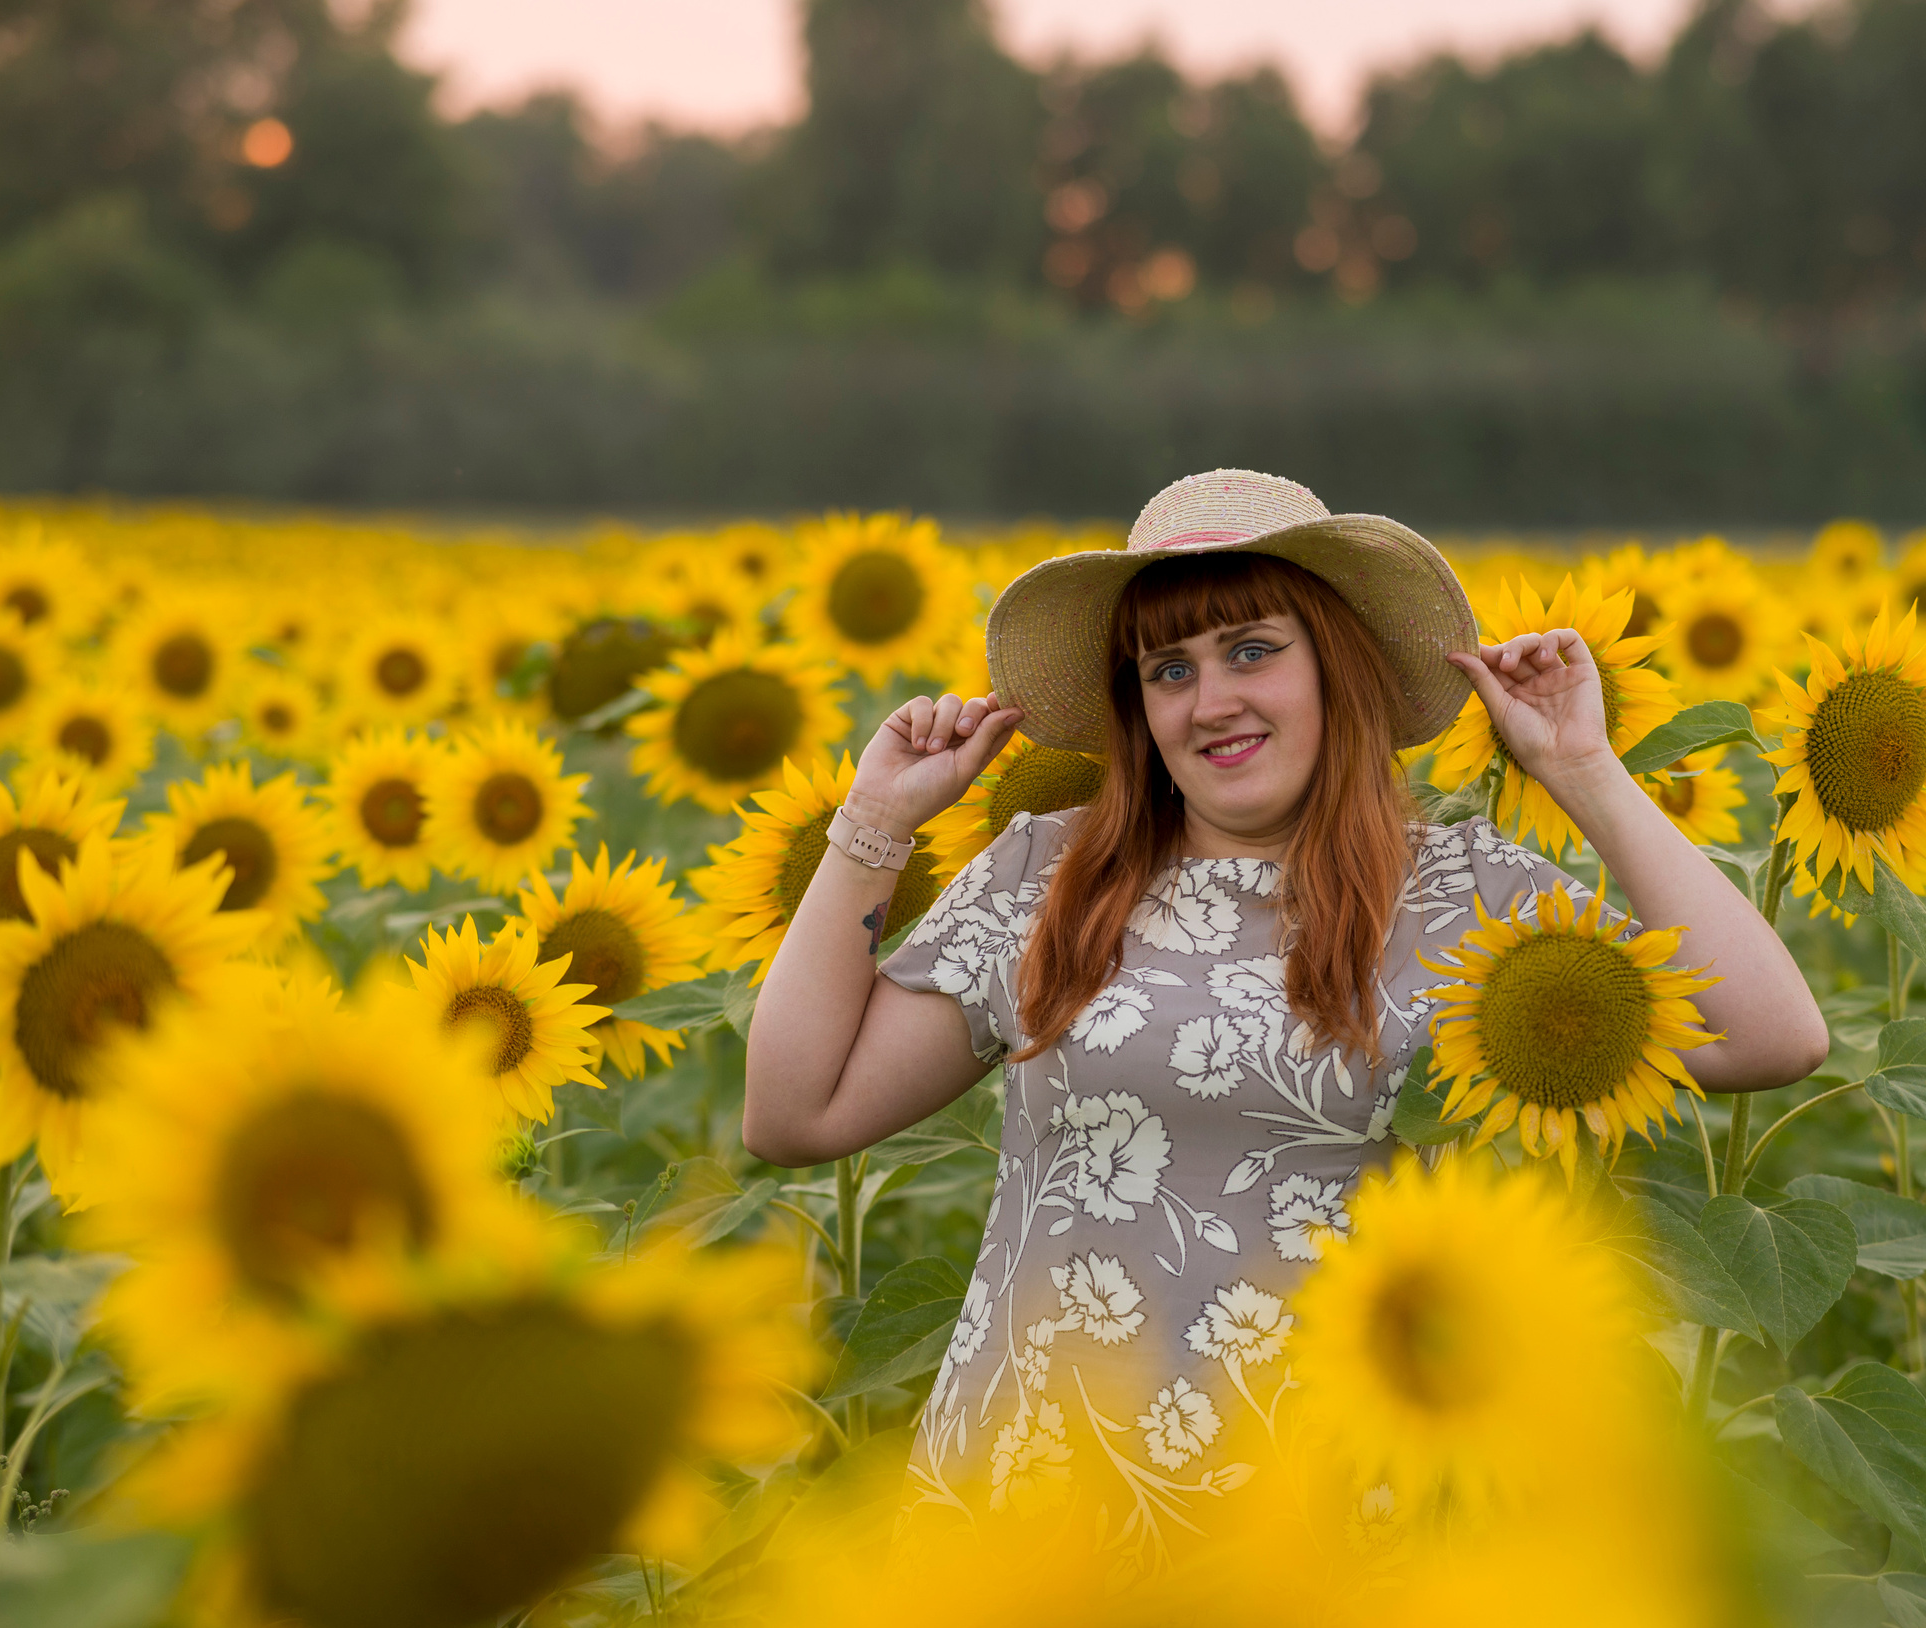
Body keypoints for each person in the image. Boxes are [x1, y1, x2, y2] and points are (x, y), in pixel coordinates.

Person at [744, 469, 1826, 1557]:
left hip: (1327, 1522)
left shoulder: (1464, 895)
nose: (1209, 700)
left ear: (1335, 666)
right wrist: (873, 823)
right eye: (1170, 668)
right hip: (1037, 1497)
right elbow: (797, 1113)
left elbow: (1771, 1033)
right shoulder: (1048, 873)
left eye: (1252, 650)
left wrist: (1581, 768)